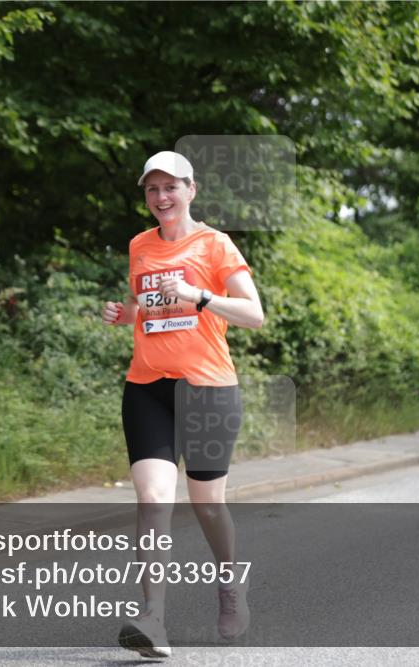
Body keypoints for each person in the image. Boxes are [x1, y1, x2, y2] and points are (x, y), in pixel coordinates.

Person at [101, 150, 264, 658]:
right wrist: (124, 314)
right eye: (152, 189)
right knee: (152, 498)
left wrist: (199, 295)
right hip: (147, 387)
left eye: (171, 187)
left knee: (207, 505)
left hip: (208, 389)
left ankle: (230, 585)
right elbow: (147, 310)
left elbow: (253, 314)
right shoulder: (139, 246)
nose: (161, 198)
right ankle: (153, 619)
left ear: (191, 190)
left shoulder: (215, 244)